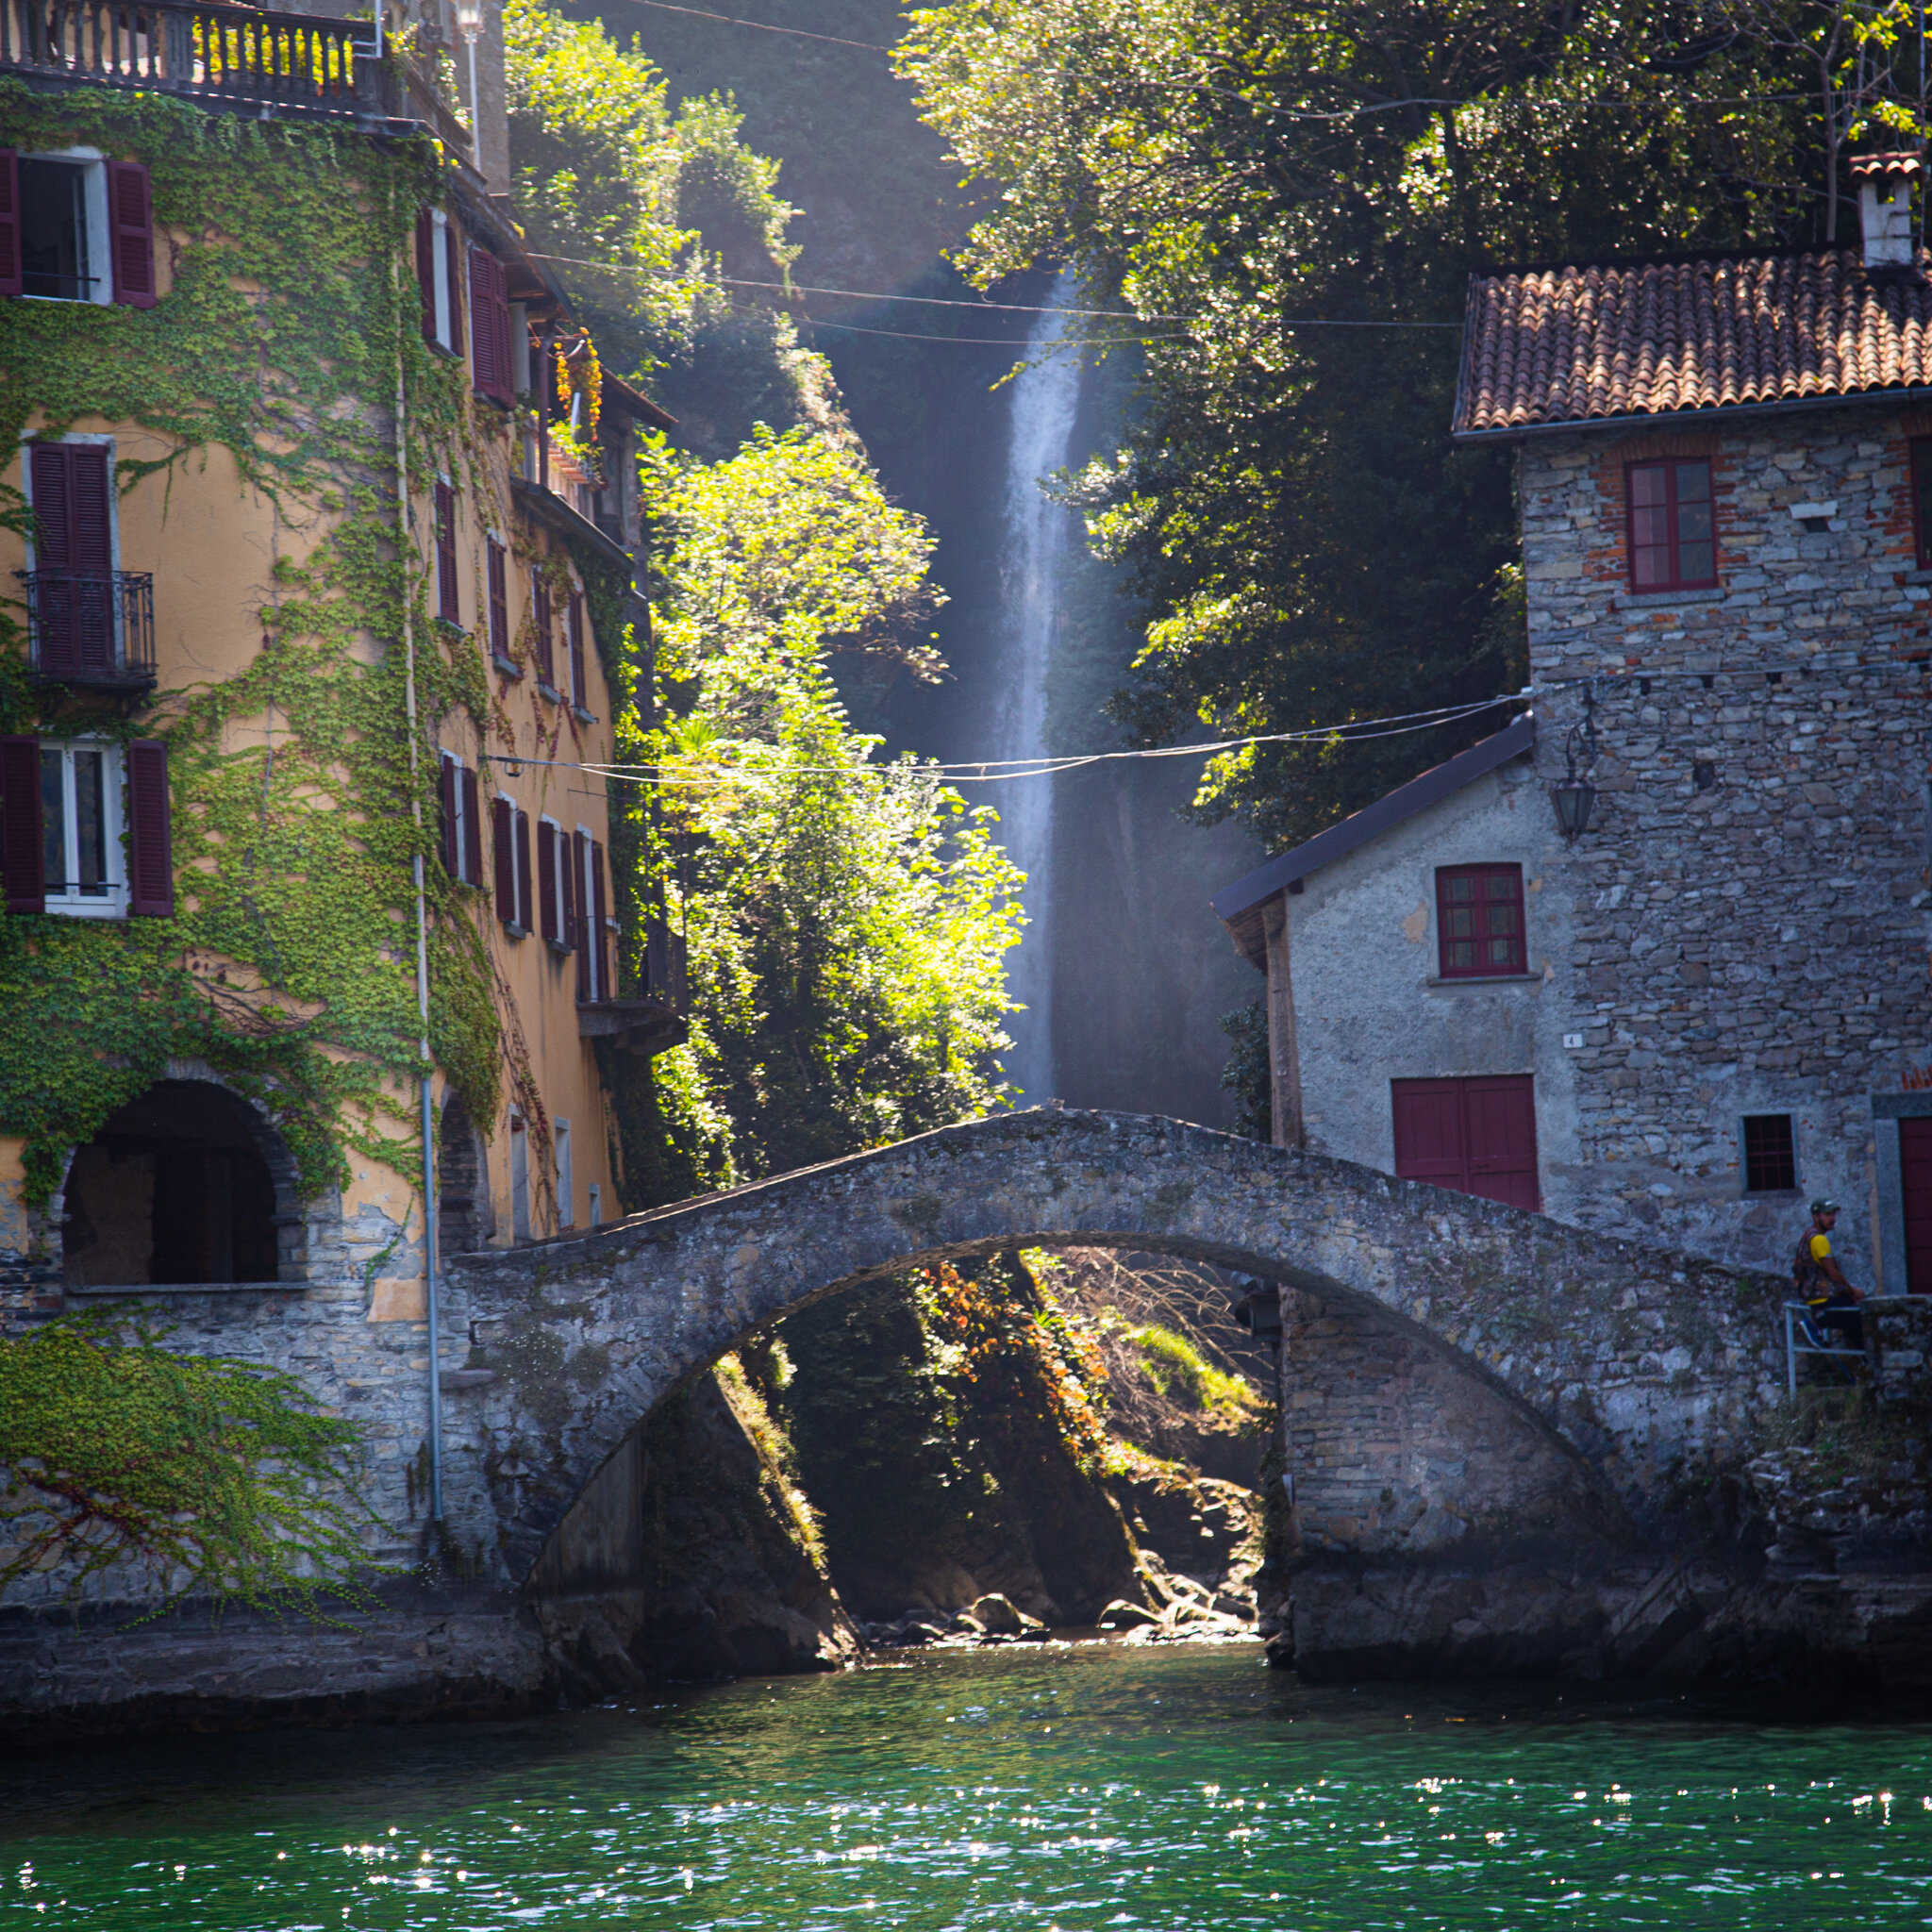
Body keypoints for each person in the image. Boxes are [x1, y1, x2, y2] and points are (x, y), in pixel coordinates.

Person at [1793, 1198, 1864, 1350]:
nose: (1832, 1218)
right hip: (1821, 1296)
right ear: (1815, 1217)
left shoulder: (1808, 1235)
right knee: (1857, 1315)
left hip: (1812, 1294)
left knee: (1851, 1319)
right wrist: (1853, 1291)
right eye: (1827, 1215)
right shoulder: (1819, 1239)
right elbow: (1834, 1274)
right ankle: (1817, 1325)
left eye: (1833, 1214)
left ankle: (1860, 1358)